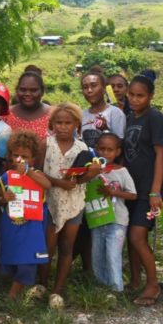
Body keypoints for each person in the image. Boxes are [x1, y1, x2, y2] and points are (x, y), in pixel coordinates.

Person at [41, 103, 101, 308]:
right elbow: (38, 172)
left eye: (68, 123)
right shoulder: (46, 144)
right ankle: (41, 284)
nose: (63, 127)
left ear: (77, 124)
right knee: (48, 247)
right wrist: (59, 182)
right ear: (52, 124)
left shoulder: (83, 148)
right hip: (50, 201)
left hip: (74, 202)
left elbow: (82, 178)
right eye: (59, 122)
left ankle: (57, 290)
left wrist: (89, 175)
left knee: (67, 247)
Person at [124, 70, 163, 306]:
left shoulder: (156, 119)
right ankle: (135, 280)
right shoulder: (131, 118)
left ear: (150, 96)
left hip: (149, 193)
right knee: (131, 237)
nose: (134, 99)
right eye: (131, 94)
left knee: (137, 236)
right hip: (131, 190)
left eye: (140, 96)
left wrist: (156, 191)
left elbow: (161, 156)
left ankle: (153, 285)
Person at [0, 131, 51, 301]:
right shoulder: (6, 177)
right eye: (16, 155)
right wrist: (3, 198)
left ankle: (13, 294)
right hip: (11, 226)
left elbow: (47, 184)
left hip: (32, 228)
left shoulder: (37, 175)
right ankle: (18, 286)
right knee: (12, 258)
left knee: (29, 260)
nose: (19, 160)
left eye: (25, 156)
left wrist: (28, 172)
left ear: (33, 158)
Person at [90, 133, 137, 293]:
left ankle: (117, 290)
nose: (105, 153)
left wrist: (113, 193)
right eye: (101, 149)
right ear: (96, 149)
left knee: (113, 255)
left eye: (109, 150)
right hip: (97, 219)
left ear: (117, 152)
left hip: (117, 221)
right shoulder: (92, 170)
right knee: (97, 255)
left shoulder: (122, 171)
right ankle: (101, 288)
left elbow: (133, 195)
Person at [80, 68, 126, 148]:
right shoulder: (80, 115)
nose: (89, 90)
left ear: (104, 89)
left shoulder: (115, 113)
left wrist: (105, 129)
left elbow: (120, 144)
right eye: (85, 87)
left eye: (94, 85)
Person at [4, 68, 51, 143]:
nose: (27, 94)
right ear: (17, 90)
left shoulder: (54, 115)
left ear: (42, 91)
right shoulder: (5, 115)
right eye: (23, 90)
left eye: (33, 90)